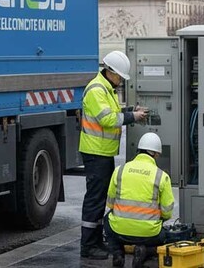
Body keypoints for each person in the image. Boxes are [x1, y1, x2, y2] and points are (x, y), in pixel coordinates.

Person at [79, 50, 148, 260]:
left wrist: (130, 110)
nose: (120, 81)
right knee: (94, 200)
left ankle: (97, 241)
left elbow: (114, 111)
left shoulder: (106, 89)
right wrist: (132, 116)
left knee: (101, 199)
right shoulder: (96, 90)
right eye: (119, 76)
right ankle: (88, 246)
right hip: (95, 152)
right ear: (109, 71)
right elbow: (108, 119)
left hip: (103, 152)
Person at [104, 132, 175, 268]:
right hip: (149, 234)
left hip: (119, 231)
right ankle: (145, 251)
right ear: (155, 154)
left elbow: (110, 204)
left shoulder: (120, 170)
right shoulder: (161, 176)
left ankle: (118, 253)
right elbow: (167, 213)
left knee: (107, 220)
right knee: (166, 236)